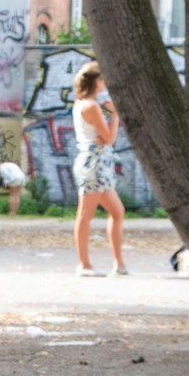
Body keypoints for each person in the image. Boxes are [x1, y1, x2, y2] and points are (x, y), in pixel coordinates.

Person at [70, 61, 128, 276]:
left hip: (98, 161)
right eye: (102, 79)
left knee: (117, 212)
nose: (105, 83)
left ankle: (119, 264)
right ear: (95, 82)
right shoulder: (91, 106)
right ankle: (84, 264)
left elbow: (104, 138)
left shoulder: (82, 103)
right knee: (85, 214)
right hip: (93, 162)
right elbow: (109, 138)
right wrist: (115, 115)